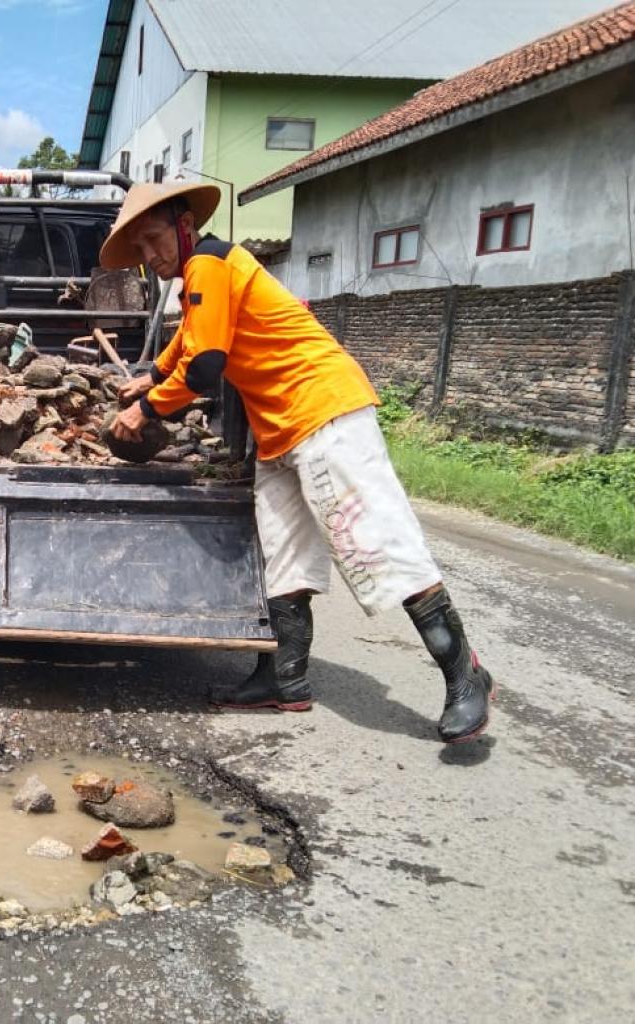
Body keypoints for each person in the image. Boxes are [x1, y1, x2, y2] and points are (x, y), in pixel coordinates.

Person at [103, 182, 495, 744]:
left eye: (155, 239)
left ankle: (466, 676)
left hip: (323, 412)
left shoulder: (211, 263)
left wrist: (147, 407)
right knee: (283, 555)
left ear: (185, 225)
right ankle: (284, 679)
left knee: (374, 544)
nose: (150, 256)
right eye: (140, 249)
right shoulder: (199, 277)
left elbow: (208, 366)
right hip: (279, 428)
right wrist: (154, 375)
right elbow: (190, 342)